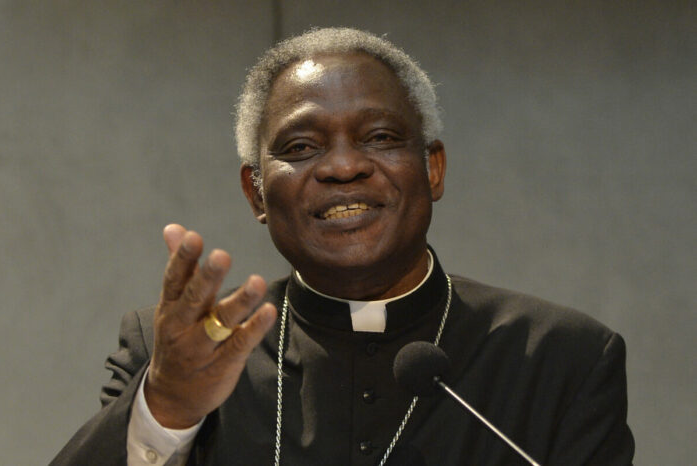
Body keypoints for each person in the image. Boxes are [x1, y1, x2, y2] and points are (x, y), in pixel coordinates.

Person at [52, 27, 634, 465]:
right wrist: (167, 409)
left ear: (432, 169)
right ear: (256, 193)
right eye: (301, 147)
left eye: (379, 137)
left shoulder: (562, 359)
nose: (343, 167)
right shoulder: (178, 353)